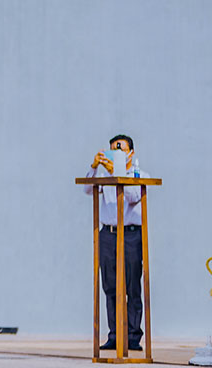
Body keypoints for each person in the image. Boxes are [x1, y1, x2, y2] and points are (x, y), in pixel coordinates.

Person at [84, 134, 149, 352]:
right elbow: (87, 189)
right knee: (110, 285)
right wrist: (94, 168)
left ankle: (132, 336)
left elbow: (132, 195)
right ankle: (114, 334)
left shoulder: (138, 174)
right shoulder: (105, 176)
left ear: (131, 152)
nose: (116, 154)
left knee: (132, 285)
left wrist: (116, 170)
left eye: (120, 149)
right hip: (108, 233)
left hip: (130, 234)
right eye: (112, 150)